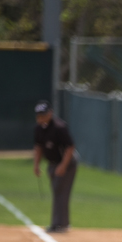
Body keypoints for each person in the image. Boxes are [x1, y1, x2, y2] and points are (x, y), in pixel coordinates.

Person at [33, 99, 78, 233]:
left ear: (50, 113)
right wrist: (36, 164)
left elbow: (70, 148)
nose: (40, 118)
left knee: (60, 191)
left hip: (67, 163)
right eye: (38, 115)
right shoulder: (39, 129)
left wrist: (63, 166)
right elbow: (38, 147)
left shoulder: (59, 127)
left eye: (43, 114)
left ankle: (59, 224)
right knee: (57, 190)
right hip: (53, 163)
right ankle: (60, 223)